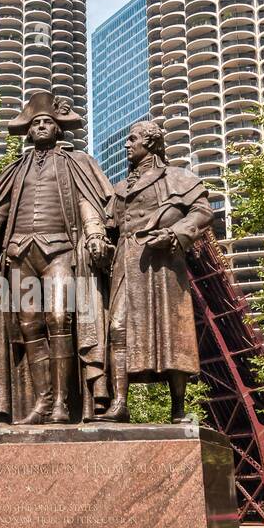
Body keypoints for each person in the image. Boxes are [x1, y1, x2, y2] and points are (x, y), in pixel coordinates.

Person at [0, 92, 113, 424]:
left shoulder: (77, 163)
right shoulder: (16, 170)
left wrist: (95, 233)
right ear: (28, 132)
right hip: (19, 254)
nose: (42, 126)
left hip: (59, 251)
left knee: (60, 319)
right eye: (36, 123)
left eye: (48, 122)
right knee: (29, 326)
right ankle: (42, 402)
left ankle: (62, 402)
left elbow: (89, 202)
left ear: (59, 129)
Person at [101, 119, 213, 423]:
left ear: (149, 143)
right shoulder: (119, 188)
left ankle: (177, 408)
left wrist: (176, 234)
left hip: (161, 264)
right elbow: (109, 226)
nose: (127, 145)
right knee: (118, 328)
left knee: (171, 332)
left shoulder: (177, 178)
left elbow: (203, 212)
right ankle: (120, 403)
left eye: (132, 139)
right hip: (125, 263)